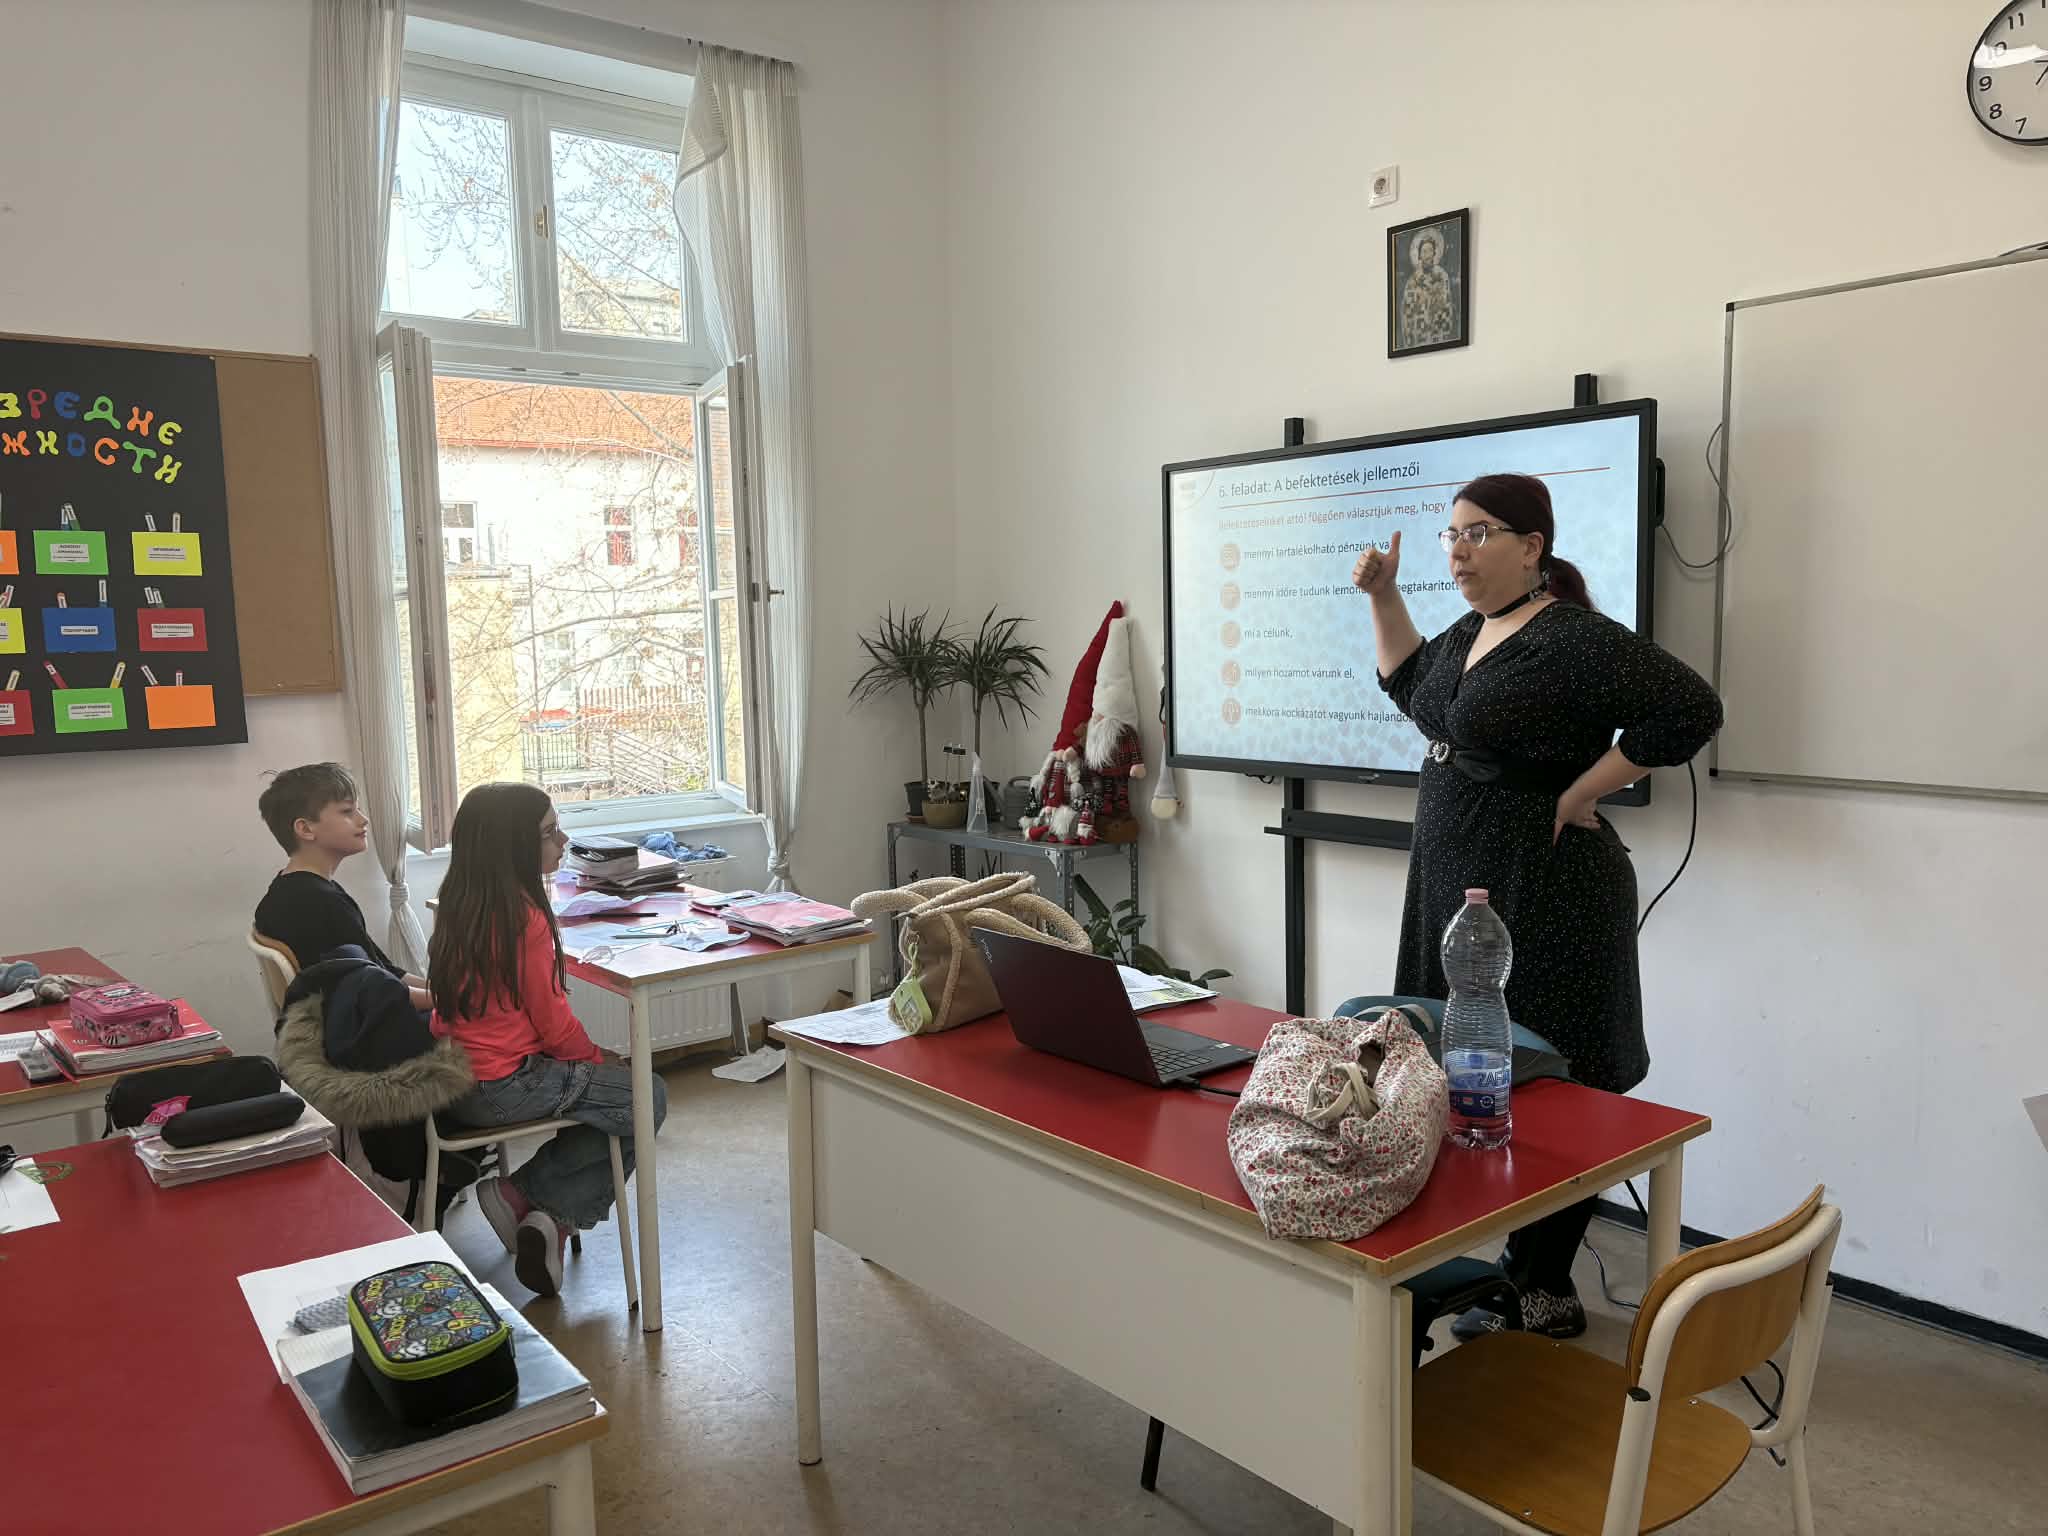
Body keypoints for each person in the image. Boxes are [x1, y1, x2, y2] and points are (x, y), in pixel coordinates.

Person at [1350, 473, 1722, 1338]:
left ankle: (1544, 1276)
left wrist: (1585, 789)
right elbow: (1410, 685)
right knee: (1456, 1063)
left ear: (1532, 547)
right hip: (1454, 886)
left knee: (1557, 1073)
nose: (1459, 550)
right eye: (1451, 535)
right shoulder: (1470, 632)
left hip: (1548, 889)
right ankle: (1490, 1259)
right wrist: (1384, 596)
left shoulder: (1573, 638)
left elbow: (1691, 709)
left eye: (1479, 533)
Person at [428, 782, 668, 1297]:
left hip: (453, 1077)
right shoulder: (525, 918)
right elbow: (554, 1025)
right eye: (549, 832)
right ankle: (529, 1198)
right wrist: (599, 1059)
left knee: (614, 1101)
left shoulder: (460, 903)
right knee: (645, 1096)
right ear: (511, 844)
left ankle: (543, 1218)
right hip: (502, 1086)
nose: (563, 840)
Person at [255, 763, 431, 1011]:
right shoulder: (320, 904)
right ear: (305, 828)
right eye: (348, 811)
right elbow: (375, 995)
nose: (363, 819)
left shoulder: (290, 889)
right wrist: (455, 1003)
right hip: (368, 1027)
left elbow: (383, 972)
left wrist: (442, 993)